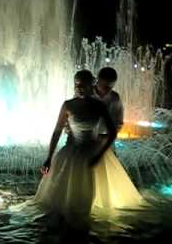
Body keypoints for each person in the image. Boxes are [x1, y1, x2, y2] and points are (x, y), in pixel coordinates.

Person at [33, 70, 117, 228]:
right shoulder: (68, 105)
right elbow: (57, 131)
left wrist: (99, 155)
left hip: (92, 153)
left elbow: (112, 133)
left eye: (83, 85)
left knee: (88, 197)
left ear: (91, 85)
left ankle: (82, 227)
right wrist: (49, 157)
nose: (79, 88)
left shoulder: (99, 106)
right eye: (76, 85)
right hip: (71, 152)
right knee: (61, 199)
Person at [92, 67, 143, 210]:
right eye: (105, 86)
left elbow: (119, 123)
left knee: (107, 171)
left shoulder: (115, 98)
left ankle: (103, 199)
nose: (108, 89)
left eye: (111, 86)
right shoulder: (87, 93)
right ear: (98, 80)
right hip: (87, 139)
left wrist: (108, 136)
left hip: (106, 140)